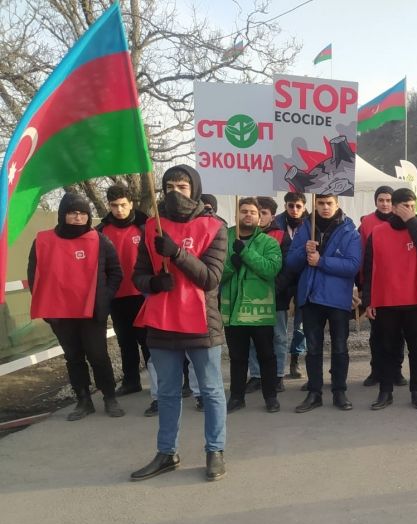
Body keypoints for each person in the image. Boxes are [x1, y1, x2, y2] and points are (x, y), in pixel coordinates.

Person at [130, 165, 228, 482]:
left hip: (201, 323)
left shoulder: (214, 227)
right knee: (168, 394)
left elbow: (210, 278)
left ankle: (215, 451)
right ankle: (166, 453)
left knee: (211, 391)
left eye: (182, 186)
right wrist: (154, 283)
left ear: (195, 189)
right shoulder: (151, 227)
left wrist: (177, 254)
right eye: (169, 185)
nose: (175, 191)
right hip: (161, 322)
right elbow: (138, 276)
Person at [28, 192, 125, 421]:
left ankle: (109, 397)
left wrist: (104, 298)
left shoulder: (100, 240)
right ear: (63, 215)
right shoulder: (43, 241)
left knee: (98, 355)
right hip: (60, 314)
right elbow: (34, 275)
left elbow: (115, 273)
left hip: (92, 312)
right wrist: (46, 304)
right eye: (73, 212)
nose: (79, 217)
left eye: (83, 213)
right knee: (73, 357)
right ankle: (83, 400)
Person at [362, 188, 417, 409]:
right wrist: (368, 301)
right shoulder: (377, 232)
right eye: (405, 207)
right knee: (386, 348)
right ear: (393, 208)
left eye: (413, 207)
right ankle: (385, 392)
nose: (409, 211)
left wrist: (412, 220)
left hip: (415, 300)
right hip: (386, 301)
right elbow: (367, 268)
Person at [287, 192, 361, 412]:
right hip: (311, 297)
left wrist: (322, 261)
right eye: (321, 203)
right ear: (315, 204)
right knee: (313, 348)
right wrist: (304, 251)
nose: (325, 207)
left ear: (337, 204)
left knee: (339, 347)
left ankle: (339, 391)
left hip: (338, 298)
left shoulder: (350, 232)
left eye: (329, 203)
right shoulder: (306, 229)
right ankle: (314, 393)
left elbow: (353, 266)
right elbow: (290, 262)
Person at [220, 196, 283, 414]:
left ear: (259, 217)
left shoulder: (269, 242)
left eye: (253, 212)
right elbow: (215, 272)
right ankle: (237, 397)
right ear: (236, 214)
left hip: (259, 311)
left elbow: (271, 269)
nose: (248, 215)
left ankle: (271, 396)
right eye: (244, 211)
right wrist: (231, 266)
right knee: (237, 357)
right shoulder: (223, 238)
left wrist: (245, 253)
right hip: (232, 311)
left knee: (267, 355)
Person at [96, 183, 150, 398]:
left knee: (147, 341)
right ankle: (131, 381)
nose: (119, 210)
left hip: (142, 294)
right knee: (125, 341)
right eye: (114, 205)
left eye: (123, 205)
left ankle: (158, 382)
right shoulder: (101, 231)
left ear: (132, 203)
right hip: (116, 296)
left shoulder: (145, 226)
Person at [359, 185, 406, 388]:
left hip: (399, 288)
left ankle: (396, 371)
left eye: (388, 200)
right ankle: (376, 370)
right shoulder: (367, 222)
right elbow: (363, 257)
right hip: (376, 287)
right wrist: (362, 287)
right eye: (381, 200)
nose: (385, 204)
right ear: (376, 202)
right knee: (376, 333)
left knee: (398, 334)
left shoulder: (405, 221)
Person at [245, 195, 289, 394]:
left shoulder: (281, 236)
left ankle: (278, 375)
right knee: (254, 339)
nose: (259, 217)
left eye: (264, 213)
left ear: (272, 216)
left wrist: (274, 289)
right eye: (257, 212)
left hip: (276, 296)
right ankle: (256, 375)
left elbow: (287, 268)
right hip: (250, 297)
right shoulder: (242, 235)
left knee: (278, 337)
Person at [274, 191, 308, 380]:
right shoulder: (276, 223)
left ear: (304, 206)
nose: (294, 210)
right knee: (279, 327)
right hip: (282, 277)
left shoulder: (311, 224)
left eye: (298, 206)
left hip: (303, 277)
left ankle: (295, 359)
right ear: (285, 205)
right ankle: (277, 367)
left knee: (300, 325)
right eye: (290, 206)